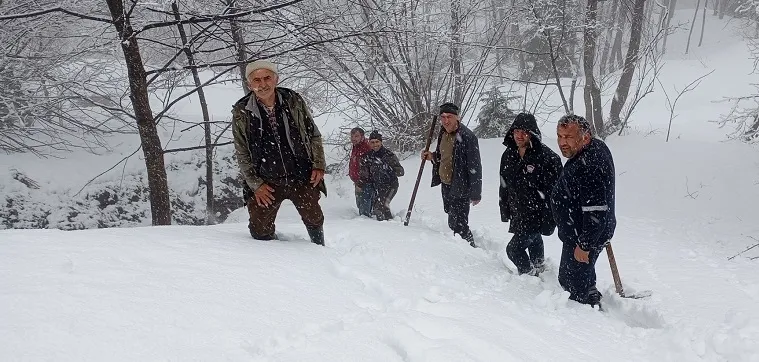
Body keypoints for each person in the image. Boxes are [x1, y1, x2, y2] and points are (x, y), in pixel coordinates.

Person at [231, 60, 327, 245]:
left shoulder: (293, 101)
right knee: (260, 229)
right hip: (266, 179)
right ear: (249, 85)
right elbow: (242, 152)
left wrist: (319, 164)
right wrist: (256, 185)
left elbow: (313, 134)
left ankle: (319, 248)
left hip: (300, 173)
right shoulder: (242, 112)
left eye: (267, 78)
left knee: (313, 216)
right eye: (257, 80)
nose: (263, 84)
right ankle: (275, 258)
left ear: (276, 79)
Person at [550, 114, 616, 307]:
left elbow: (596, 210)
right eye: (559, 136)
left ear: (585, 137)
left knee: (571, 281)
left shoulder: (590, 165)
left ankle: (586, 317)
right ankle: (590, 290)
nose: (562, 143)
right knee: (579, 275)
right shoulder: (589, 150)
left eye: (568, 137)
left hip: (586, 233)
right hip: (580, 230)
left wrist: (585, 245)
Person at [499, 113, 562, 275]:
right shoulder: (508, 155)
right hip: (517, 211)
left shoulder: (547, 158)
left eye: (524, 132)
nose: (519, 135)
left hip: (536, 214)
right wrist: (505, 209)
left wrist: (551, 218)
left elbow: (555, 193)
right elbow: (504, 185)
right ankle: (539, 268)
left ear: (532, 133)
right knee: (534, 240)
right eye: (516, 131)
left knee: (513, 249)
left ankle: (528, 276)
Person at [422, 102, 482, 247]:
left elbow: (475, 167)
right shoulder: (443, 133)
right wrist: (432, 156)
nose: (445, 120)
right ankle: (460, 247)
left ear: (457, 118)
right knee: (451, 217)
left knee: (459, 223)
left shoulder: (467, 137)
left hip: (461, 186)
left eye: (449, 116)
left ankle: (469, 249)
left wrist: (476, 193)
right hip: (446, 184)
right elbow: (445, 157)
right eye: (443, 117)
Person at [357, 130, 405, 221]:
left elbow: (401, 172)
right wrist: (360, 184)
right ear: (369, 143)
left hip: (391, 185)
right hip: (377, 186)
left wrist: (390, 168)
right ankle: (387, 224)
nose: (375, 144)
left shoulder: (389, 155)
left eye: (377, 142)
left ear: (381, 142)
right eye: (372, 142)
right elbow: (364, 174)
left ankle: (387, 225)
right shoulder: (367, 157)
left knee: (382, 205)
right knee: (379, 207)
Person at [349, 127, 373, 217]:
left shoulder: (366, 147)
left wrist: (361, 182)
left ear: (362, 136)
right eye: (352, 136)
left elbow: (368, 168)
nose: (353, 138)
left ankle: (366, 228)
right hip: (358, 181)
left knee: (364, 213)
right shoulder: (356, 146)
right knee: (360, 205)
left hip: (365, 182)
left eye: (356, 136)